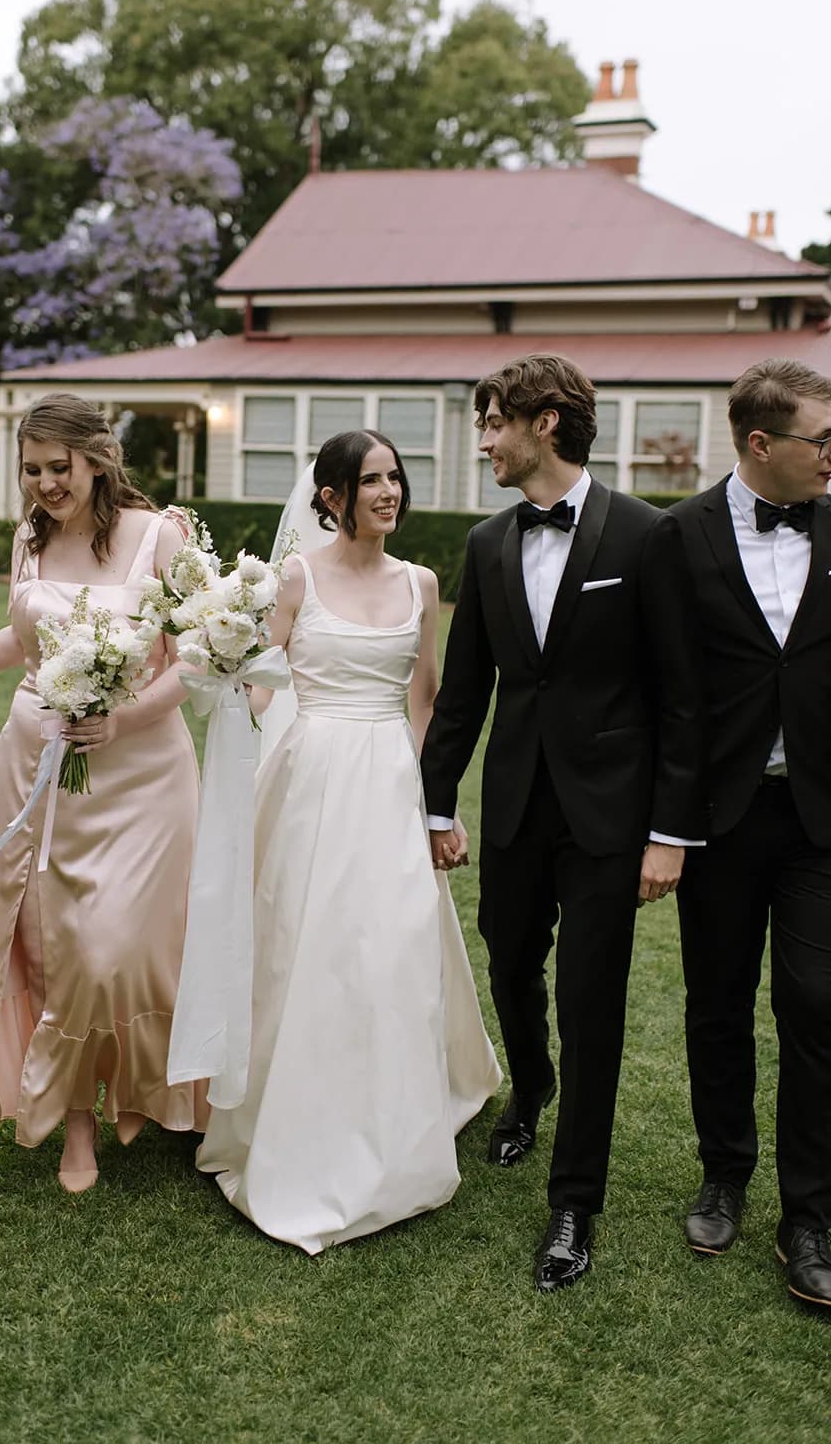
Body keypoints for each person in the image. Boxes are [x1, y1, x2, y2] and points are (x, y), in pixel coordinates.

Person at [420, 355, 705, 1291]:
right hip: (512, 807)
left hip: (608, 818)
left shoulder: (645, 535)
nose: (484, 440)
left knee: (592, 1000)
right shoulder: (487, 542)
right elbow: (463, 695)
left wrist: (668, 832)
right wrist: (433, 801)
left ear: (545, 422)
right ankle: (529, 1087)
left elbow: (680, 696)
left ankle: (573, 1201)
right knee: (508, 958)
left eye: (493, 422)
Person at [0, 394, 207, 1191]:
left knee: (123, 945)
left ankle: (139, 1083)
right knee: (54, 943)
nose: (42, 485)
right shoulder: (29, 535)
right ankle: (75, 1121)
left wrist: (124, 717)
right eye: (30, 470)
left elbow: (198, 657)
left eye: (56, 468)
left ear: (96, 458)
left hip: (142, 774)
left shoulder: (160, 535)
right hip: (37, 764)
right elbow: (26, 641)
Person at [196, 431, 501, 1254]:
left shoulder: (421, 582)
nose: (388, 492)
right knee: (302, 946)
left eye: (395, 478)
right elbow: (254, 679)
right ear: (330, 496)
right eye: (370, 481)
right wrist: (264, 724)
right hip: (310, 779)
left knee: (391, 946)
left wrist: (440, 808)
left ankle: (392, 1119)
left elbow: (426, 704)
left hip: (391, 783)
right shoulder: (294, 577)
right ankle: (284, 1116)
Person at [672, 358, 831, 1309]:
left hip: (820, 818)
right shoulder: (678, 537)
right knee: (716, 1002)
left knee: (816, 1004)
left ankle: (809, 1214)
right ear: (761, 444)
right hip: (719, 817)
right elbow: (661, 686)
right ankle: (724, 1172)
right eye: (821, 440)